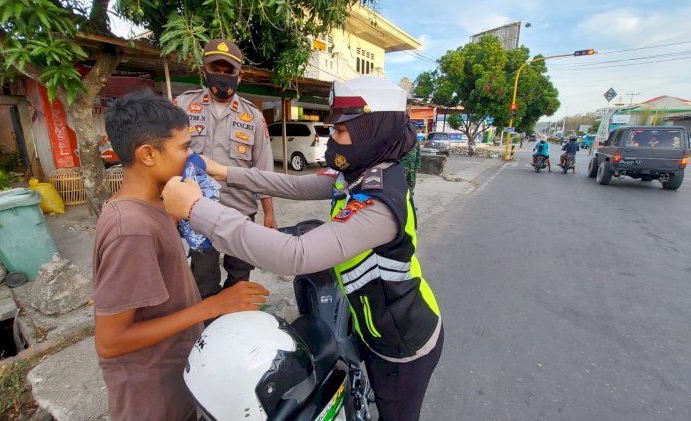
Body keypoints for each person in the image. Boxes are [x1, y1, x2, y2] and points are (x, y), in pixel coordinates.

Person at [162, 76, 443, 421]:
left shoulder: (380, 203)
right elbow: (293, 184)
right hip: (372, 321)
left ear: (374, 130)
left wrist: (197, 210)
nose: (331, 140)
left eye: (340, 132)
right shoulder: (359, 171)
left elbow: (295, 254)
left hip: (402, 342)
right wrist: (223, 171)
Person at [92, 90, 269, 421]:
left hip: (176, 374)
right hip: (153, 396)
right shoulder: (130, 230)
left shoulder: (153, 205)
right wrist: (215, 305)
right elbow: (111, 341)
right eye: (185, 147)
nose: (193, 156)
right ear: (148, 154)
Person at [173, 39, 277, 299]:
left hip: (240, 211)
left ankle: (235, 324)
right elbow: (169, 157)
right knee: (203, 277)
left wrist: (269, 215)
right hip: (198, 209)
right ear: (204, 71)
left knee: (240, 275)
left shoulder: (252, 116)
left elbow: (263, 168)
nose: (221, 76)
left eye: (228, 71)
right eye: (215, 69)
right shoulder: (184, 106)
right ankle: (207, 326)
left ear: (239, 76)